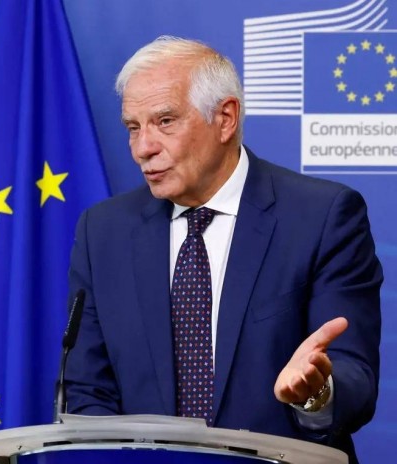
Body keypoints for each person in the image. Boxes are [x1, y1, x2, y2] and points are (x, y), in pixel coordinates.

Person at [65, 36, 382, 463]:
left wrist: (316, 393)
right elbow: (88, 391)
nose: (143, 148)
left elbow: (354, 375)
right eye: (133, 127)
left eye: (164, 121)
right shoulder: (103, 231)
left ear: (225, 118)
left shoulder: (322, 216)